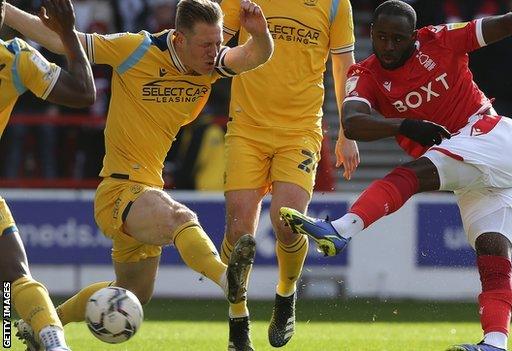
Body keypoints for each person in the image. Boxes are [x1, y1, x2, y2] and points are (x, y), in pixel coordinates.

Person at [280, 1, 512, 350]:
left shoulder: (438, 40)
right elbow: (353, 122)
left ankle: (341, 229)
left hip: (492, 136)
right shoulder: (364, 75)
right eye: (381, 37)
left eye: (398, 38)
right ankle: (495, 343)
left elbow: (492, 27)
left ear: (414, 36)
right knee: (493, 253)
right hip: (476, 173)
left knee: (412, 175)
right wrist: (405, 125)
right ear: (370, 33)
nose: (389, 46)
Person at [5, 0, 273, 349]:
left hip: (147, 190)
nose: (215, 51)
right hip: (119, 190)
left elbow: (254, 56)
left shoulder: (211, 63)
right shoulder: (136, 48)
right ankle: (228, 279)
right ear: (178, 38)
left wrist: (261, 34)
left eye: (219, 42)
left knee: (132, 294)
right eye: (206, 44)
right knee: (180, 217)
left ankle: (42, 326)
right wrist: (6, 10)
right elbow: (60, 41)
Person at [216, 0, 360, 349]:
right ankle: (238, 319)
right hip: (246, 127)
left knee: (286, 221)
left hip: (300, 130)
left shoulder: (336, 4)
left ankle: (286, 295)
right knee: (238, 233)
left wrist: (347, 130)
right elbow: (213, 48)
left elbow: (344, 67)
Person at [0, 0, 96, 350]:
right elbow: (84, 92)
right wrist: (68, 34)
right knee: (14, 279)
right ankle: (53, 342)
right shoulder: (16, 59)